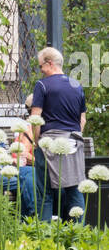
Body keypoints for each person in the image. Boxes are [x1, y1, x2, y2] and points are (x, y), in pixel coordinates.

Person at [30, 47, 86, 222]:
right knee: (74, 190)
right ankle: (79, 236)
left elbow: (35, 117)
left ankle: (44, 238)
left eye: (41, 66)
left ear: (49, 63)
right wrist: (74, 136)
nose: (40, 71)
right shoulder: (77, 85)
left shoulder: (42, 85)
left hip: (49, 144)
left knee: (44, 192)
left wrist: (37, 141)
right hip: (74, 143)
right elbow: (82, 119)